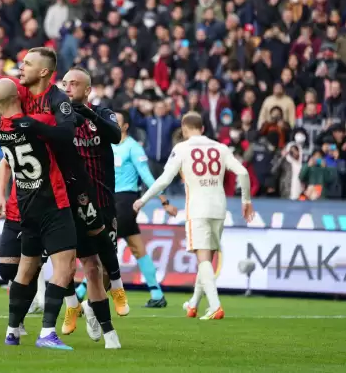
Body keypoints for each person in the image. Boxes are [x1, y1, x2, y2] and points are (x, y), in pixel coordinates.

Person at [0, 26, 117, 334]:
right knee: (25, 265)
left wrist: (29, 124)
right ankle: (54, 313)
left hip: (70, 185)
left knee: (91, 258)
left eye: (26, 64)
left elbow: (67, 135)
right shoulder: (20, 91)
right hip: (33, 190)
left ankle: (103, 307)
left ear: (43, 71)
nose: (20, 68)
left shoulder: (57, 100)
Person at [0, 78, 96, 350]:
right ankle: (47, 332)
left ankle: (12, 331)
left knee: (26, 269)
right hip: (52, 202)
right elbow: (66, 126)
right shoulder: (38, 120)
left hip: (25, 205)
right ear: (20, 94)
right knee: (65, 267)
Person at [133, 112, 254, 320]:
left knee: (203, 259)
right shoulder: (221, 148)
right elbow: (242, 172)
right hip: (219, 208)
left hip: (198, 208)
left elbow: (164, 180)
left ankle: (215, 305)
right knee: (206, 259)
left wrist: (143, 200)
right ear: (203, 128)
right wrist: (246, 201)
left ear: (183, 128)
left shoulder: (181, 148)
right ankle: (194, 304)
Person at [59, 67, 129, 340]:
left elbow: (114, 135)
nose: (68, 88)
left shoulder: (102, 113)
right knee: (80, 264)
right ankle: (74, 307)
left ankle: (91, 305)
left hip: (103, 200)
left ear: (87, 90)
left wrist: (85, 112)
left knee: (103, 269)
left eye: (74, 84)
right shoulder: (59, 117)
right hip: (72, 202)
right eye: (65, 83)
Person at [112, 110, 178, 308]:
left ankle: (81, 295)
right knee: (137, 247)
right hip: (110, 200)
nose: (112, 123)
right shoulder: (107, 145)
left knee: (104, 248)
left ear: (125, 127)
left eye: (117, 121)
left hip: (126, 201)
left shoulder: (133, 148)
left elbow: (148, 177)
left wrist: (164, 201)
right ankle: (157, 294)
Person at [0, 156, 46, 336]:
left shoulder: (53, 141)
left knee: (31, 270)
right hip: (14, 213)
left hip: (42, 217)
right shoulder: (18, 141)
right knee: (7, 270)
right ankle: (20, 314)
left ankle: (17, 320)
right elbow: (5, 164)